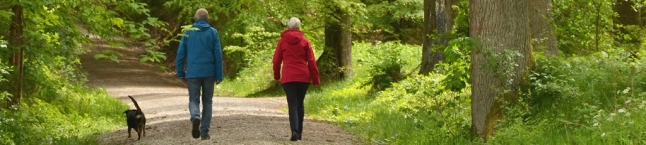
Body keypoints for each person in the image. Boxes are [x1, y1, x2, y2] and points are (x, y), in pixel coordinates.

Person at [175, 8, 223, 140]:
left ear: (195, 19)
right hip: (209, 73)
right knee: (207, 102)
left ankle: (195, 116)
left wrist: (180, 73)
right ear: (208, 19)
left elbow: (180, 54)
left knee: (193, 99)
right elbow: (217, 55)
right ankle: (204, 132)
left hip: (193, 73)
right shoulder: (213, 32)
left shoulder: (188, 32)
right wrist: (219, 75)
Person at [272, 17, 321, 141]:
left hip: (288, 77)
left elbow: (276, 61)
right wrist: (316, 79)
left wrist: (277, 75)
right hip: (303, 77)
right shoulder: (305, 42)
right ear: (299, 27)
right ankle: (299, 133)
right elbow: (311, 62)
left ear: (288, 27)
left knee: (292, 104)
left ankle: (294, 130)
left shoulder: (282, 42)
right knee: (300, 104)